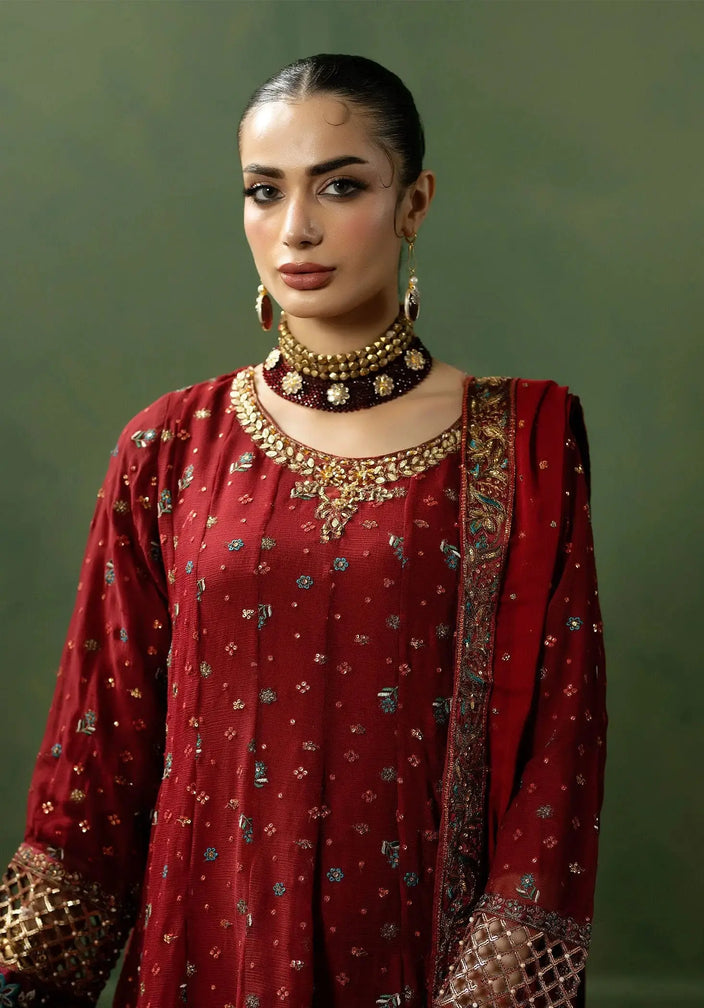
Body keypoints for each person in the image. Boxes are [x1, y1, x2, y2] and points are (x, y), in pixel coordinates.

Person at [0, 54, 606, 1008]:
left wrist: (495, 988)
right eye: (262, 191)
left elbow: (558, 758)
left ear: (414, 203)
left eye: (342, 185)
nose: (296, 229)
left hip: (419, 953)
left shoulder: (519, 442)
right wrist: (32, 978)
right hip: (202, 944)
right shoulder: (170, 446)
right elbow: (102, 744)